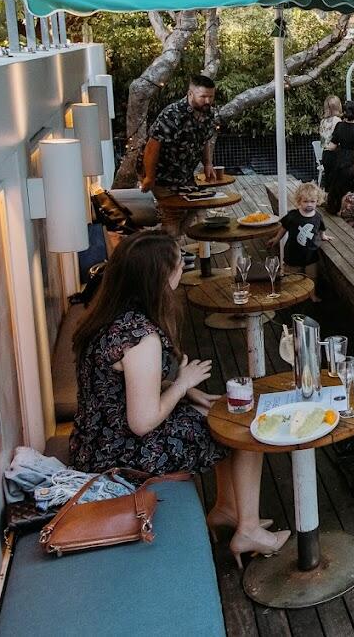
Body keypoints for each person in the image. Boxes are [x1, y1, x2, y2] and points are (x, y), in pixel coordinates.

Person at [69, 231, 288, 565]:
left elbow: (118, 390)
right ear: (160, 276)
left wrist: (186, 391)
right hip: (121, 458)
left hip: (94, 443)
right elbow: (141, 423)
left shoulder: (108, 319)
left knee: (219, 411)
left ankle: (229, 510)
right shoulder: (141, 337)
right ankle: (248, 530)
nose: (182, 267)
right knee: (243, 426)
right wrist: (182, 384)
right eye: (178, 262)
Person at [138, 74, 221, 235]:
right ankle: (165, 251)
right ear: (190, 94)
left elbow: (204, 141)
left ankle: (165, 243)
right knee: (172, 216)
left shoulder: (208, 113)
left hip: (184, 174)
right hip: (161, 173)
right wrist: (149, 176)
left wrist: (208, 164)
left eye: (211, 96)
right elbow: (151, 147)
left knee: (194, 208)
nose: (208, 101)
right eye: (203, 96)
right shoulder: (172, 114)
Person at [270, 181, 330, 300]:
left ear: (317, 201)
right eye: (305, 201)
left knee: (312, 277)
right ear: (299, 201)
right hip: (293, 253)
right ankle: (289, 296)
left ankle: (312, 294)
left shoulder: (317, 217)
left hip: (310, 255)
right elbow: (283, 228)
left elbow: (321, 228)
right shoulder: (293, 215)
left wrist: (324, 236)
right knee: (291, 277)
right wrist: (276, 239)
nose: (309, 204)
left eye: (312, 201)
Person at [323, 101, 354, 213]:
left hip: (340, 161)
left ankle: (335, 207)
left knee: (338, 187)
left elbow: (332, 146)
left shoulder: (339, 126)